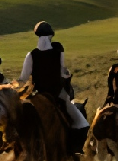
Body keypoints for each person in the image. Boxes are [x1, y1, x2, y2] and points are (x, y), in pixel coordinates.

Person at [17, 21, 89, 150]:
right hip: (56, 94)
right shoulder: (58, 52)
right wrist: (67, 74)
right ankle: (75, 149)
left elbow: (23, 78)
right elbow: (63, 72)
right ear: (51, 36)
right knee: (81, 123)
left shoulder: (31, 55)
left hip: (37, 95)